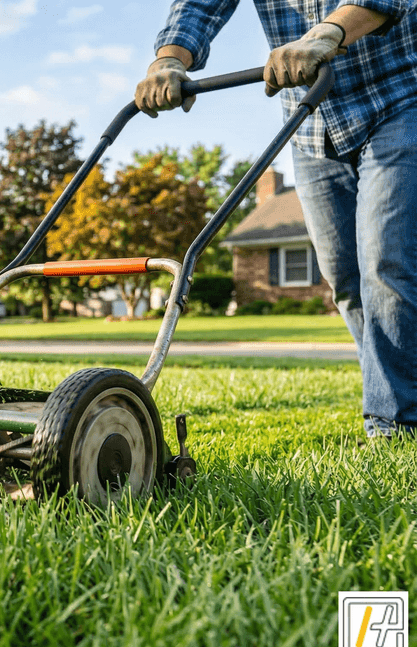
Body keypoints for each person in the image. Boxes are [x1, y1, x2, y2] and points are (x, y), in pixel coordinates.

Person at [136, 1, 417, 439]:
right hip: (311, 123)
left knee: (387, 263)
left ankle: (395, 423)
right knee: (345, 277)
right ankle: (396, 397)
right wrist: (169, 58)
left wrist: (324, 35)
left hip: (400, 100)